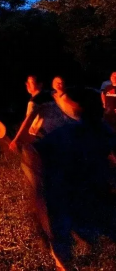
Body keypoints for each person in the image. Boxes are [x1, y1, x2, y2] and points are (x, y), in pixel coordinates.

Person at [31, 87, 116, 270]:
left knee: (61, 232)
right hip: (90, 189)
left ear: (76, 108)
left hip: (69, 192)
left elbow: (37, 154)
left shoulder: (68, 133)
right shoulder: (104, 130)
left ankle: (64, 263)